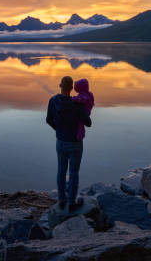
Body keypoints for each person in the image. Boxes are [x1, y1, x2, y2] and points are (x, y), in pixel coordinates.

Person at [46, 76, 92, 211]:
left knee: (61, 170)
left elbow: (49, 120)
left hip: (60, 141)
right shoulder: (77, 104)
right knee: (73, 172)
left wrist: (59, 130)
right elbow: (88, 123)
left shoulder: (53, 101)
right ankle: (71, 202)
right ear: (72, 88)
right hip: (75, 143)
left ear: (60, 85)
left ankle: (61, 199)